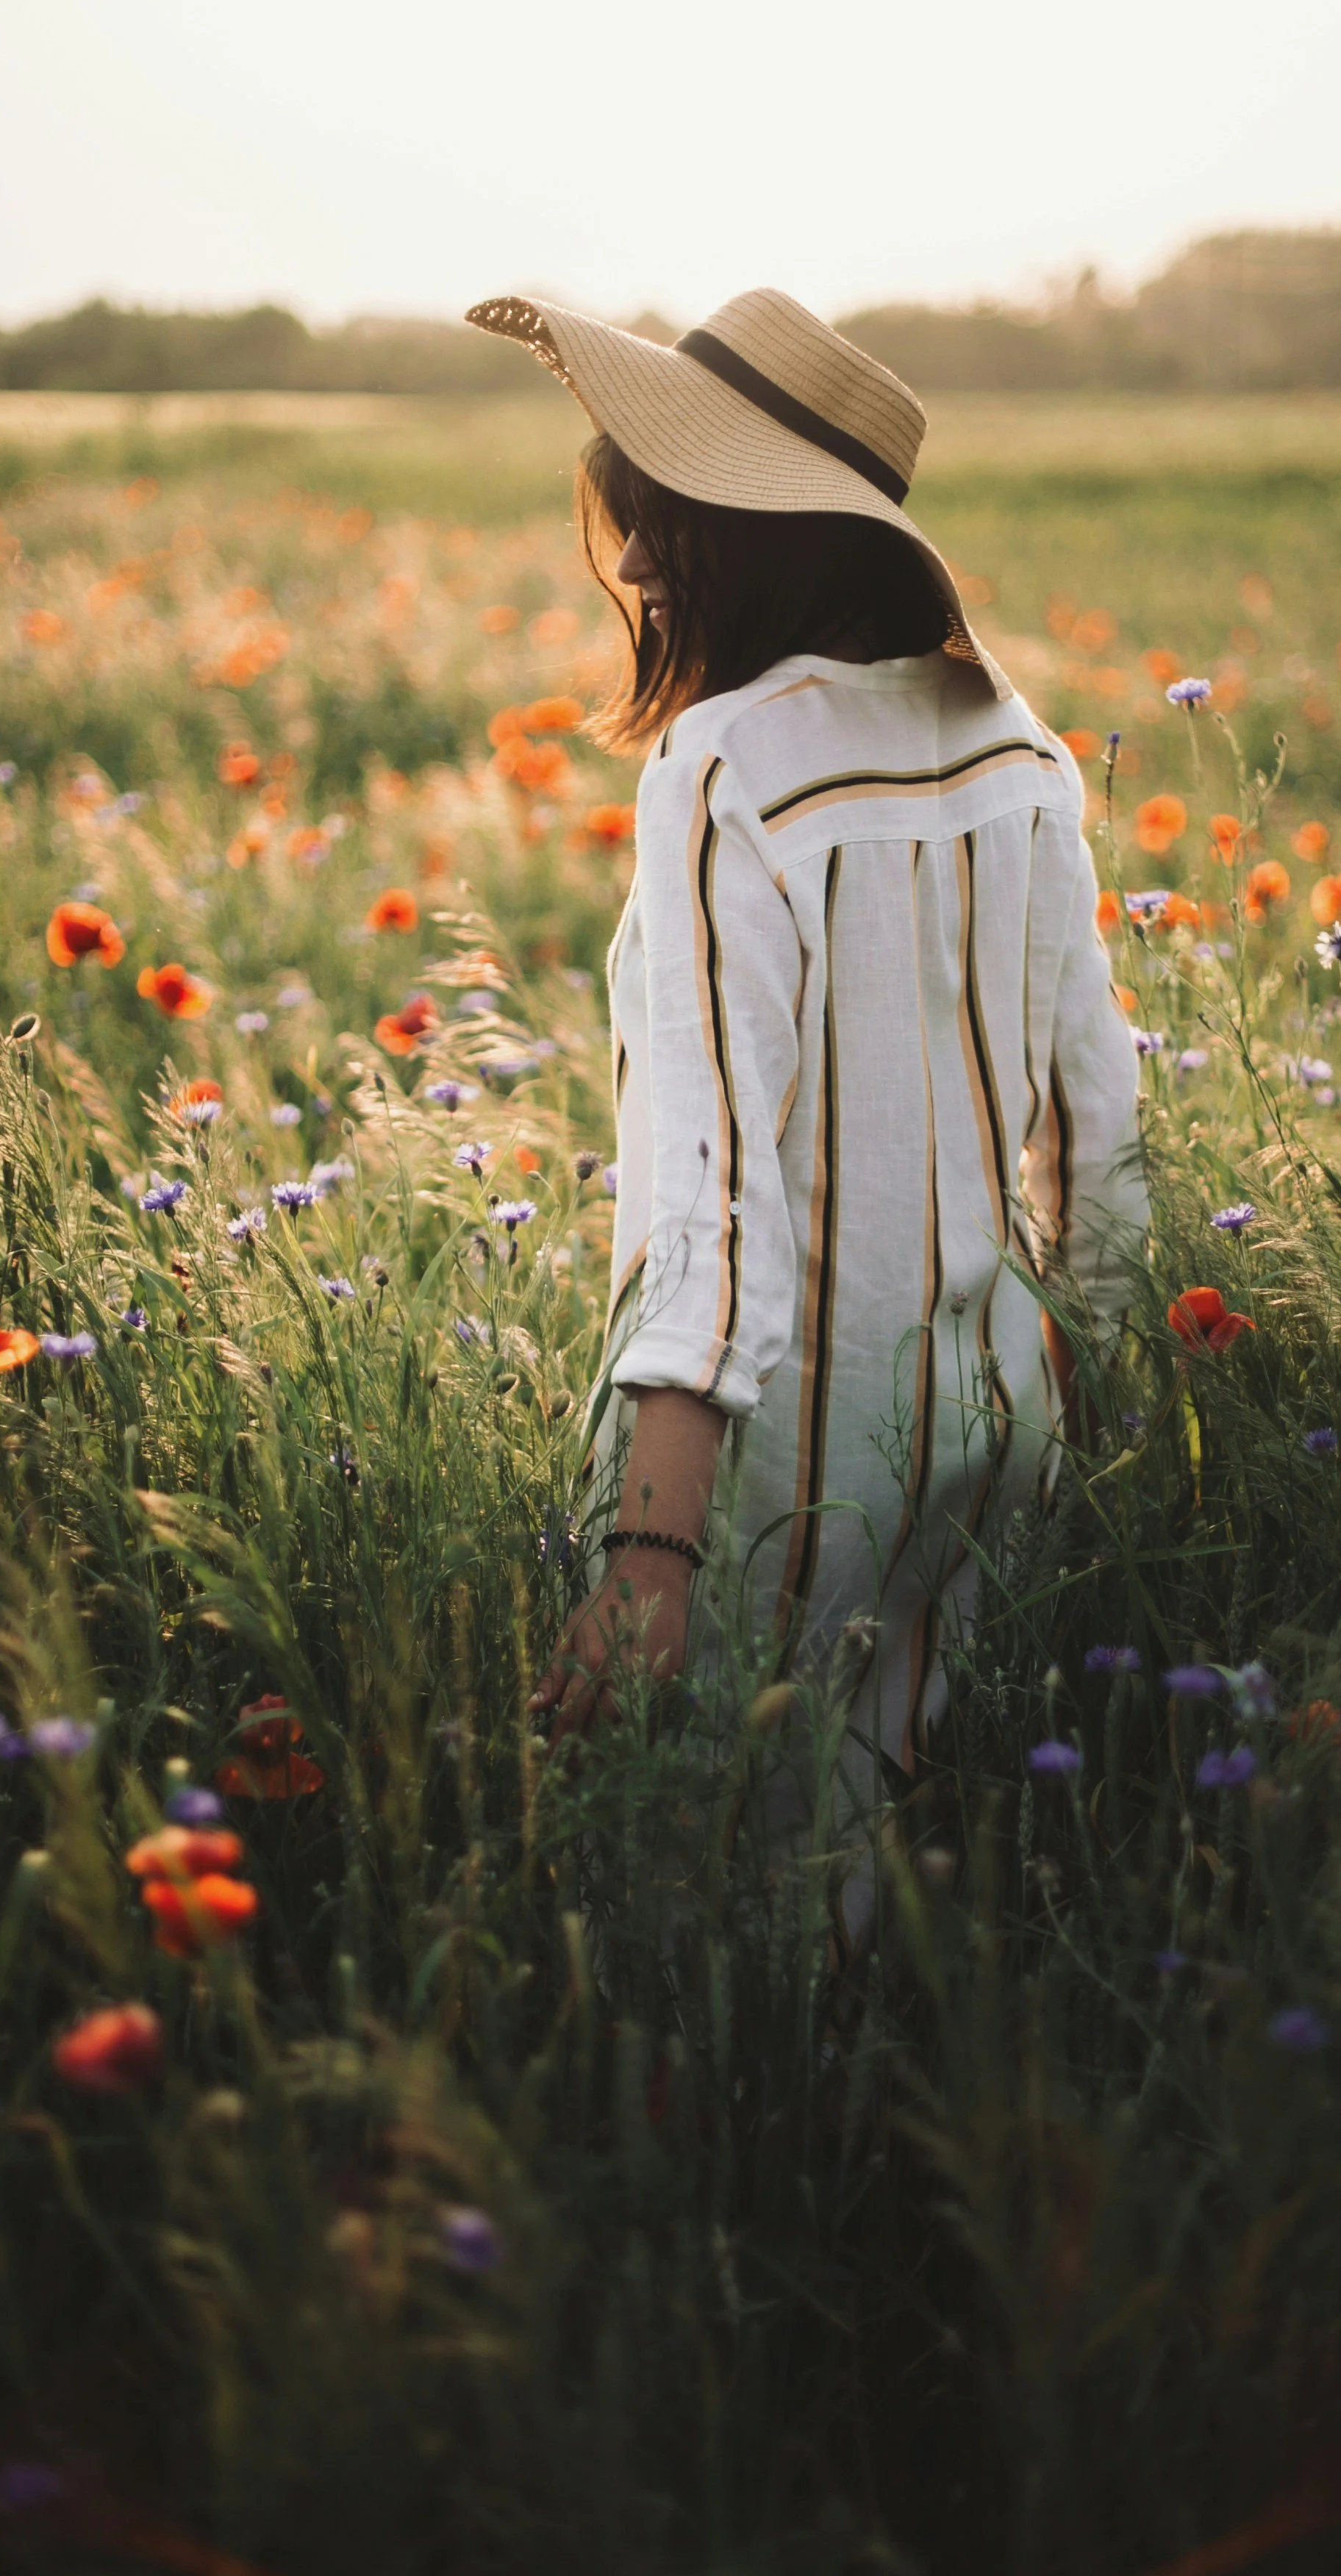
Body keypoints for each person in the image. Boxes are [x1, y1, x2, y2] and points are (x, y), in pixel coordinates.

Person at [465, 287, 1146, 1925]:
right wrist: (1103, 1409)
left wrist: (652, 1556)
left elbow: (708, 1200)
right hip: (997, 1440)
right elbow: (1104, 1130)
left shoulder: (722, 768)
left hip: (776, 1484)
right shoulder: (1023, 749)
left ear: (736, 539)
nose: (628, 566)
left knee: (725, 1944)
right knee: (938, 1886)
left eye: (656, 523)